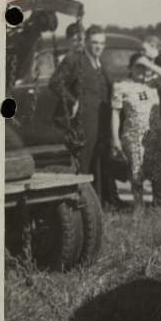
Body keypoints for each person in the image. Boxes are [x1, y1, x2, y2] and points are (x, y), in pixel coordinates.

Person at [49, 24, 113, 204]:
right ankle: (81, 203)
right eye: (94, 43)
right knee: (83, 163)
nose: (98, 47)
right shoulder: (74, 60)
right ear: (85, 42)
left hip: (101, 121)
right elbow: (55, 83)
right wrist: (72, 101)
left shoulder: (101, 65)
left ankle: (99, 203)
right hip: (83, 122)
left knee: (99, 162)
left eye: (101, 43)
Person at [110, 53, 161, 207]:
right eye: (138, 66)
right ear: (130, 68)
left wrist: (150, 64)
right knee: (136, 175)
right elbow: (115, 114)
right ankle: (139, 209)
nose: (141, 70)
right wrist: (115, 139)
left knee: (158, 174)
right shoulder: (121, 86)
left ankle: (159, 207)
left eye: (144, 67)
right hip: (134, 138)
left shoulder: (153, 83)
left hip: (154, 137)